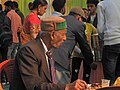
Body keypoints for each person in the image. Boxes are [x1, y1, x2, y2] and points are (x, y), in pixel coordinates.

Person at [10, 16, 89, 90]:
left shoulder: (48, 51)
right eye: (63, 34)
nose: (65, 39)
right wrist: (67, 87)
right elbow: (35, 86)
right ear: (52, 35)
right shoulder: (28, 51)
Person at [52, 6, 94, 84]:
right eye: (82, 20)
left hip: (49, 57)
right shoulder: (78, 25)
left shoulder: (59, 19)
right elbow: (84, 45)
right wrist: (90, 62)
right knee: (63, 85)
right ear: (78, 17)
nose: (82, 22)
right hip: (61, 59)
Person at [71, 7, 97, 83]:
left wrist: (92, 53)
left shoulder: (90, 27)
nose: (85, 14)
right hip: (77, 54)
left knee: (87, 74)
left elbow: (95, 41)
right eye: (83, 13)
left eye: (86, 13)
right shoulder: (75, 26)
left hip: (87, 55)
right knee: (74, 74)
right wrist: (79, 51)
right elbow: (72, 41)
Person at [97, 0, 120, 85]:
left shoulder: (102, 4)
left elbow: (100, 29)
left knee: (109, 78)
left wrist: (104, 38)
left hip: (110, 42)